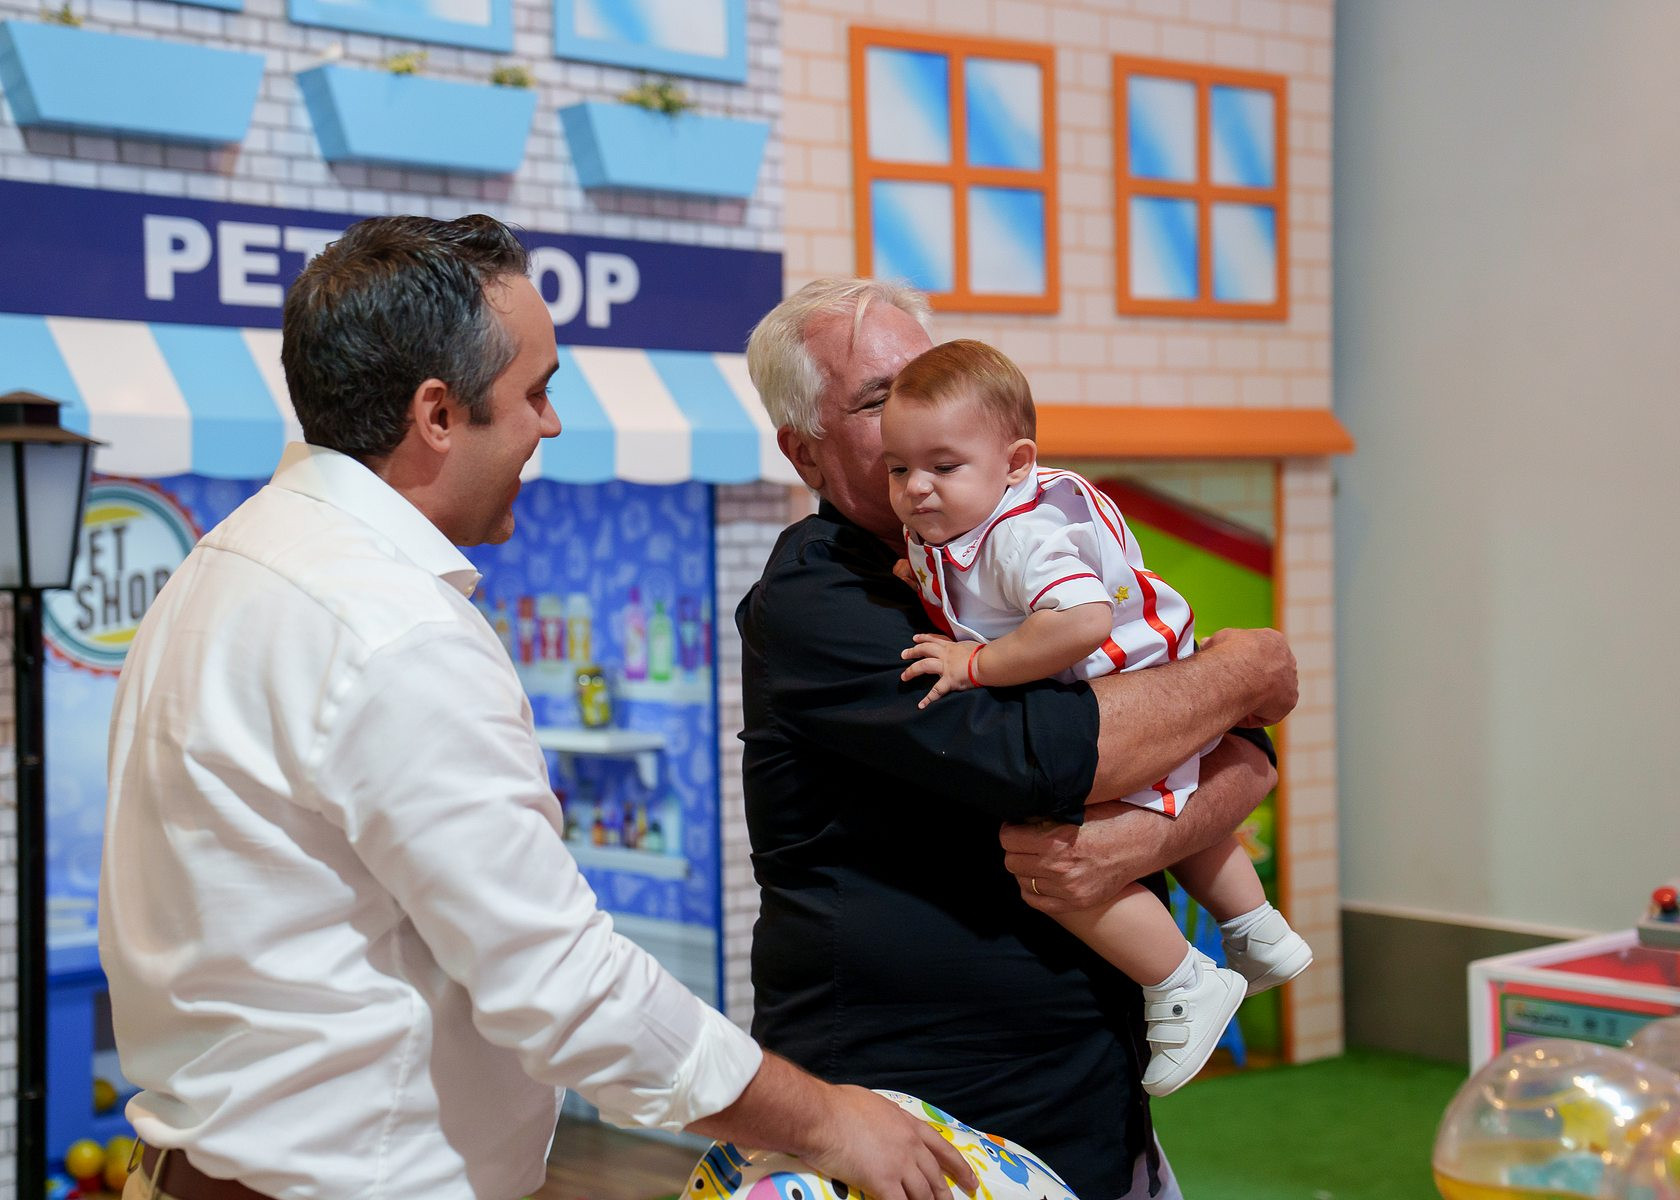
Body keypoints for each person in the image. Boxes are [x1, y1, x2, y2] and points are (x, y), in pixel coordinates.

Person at [99, 217, 976, 1200]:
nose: (550, 426)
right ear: (438, 413)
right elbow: (560, 985)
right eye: (535, 392)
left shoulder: (227, 563)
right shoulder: (391, 627)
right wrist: (828, 1120)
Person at [738, 277, 1298, 1199]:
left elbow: (1232, 751)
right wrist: (1241, 673)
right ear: (805, 451)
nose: (918, 412)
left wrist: (1148, 823)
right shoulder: (819, 601)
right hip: (922, 1120)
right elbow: (1047, 758)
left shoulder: (1015, 541)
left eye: (928, 379)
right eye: (879, 401)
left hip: (1094, 1092)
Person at [880, 338, 1312, 1097]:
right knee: (1171, 808)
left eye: (943, 467)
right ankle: (1256, 929)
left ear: (1016, 463)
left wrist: (975, 664)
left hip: (1124, 687)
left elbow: (1080, 620)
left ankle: (1181, 980)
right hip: (1148, 673)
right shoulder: (958, 525)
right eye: (898, 469)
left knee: (1053, 863)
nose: (917, 489)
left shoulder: (1019, 536)